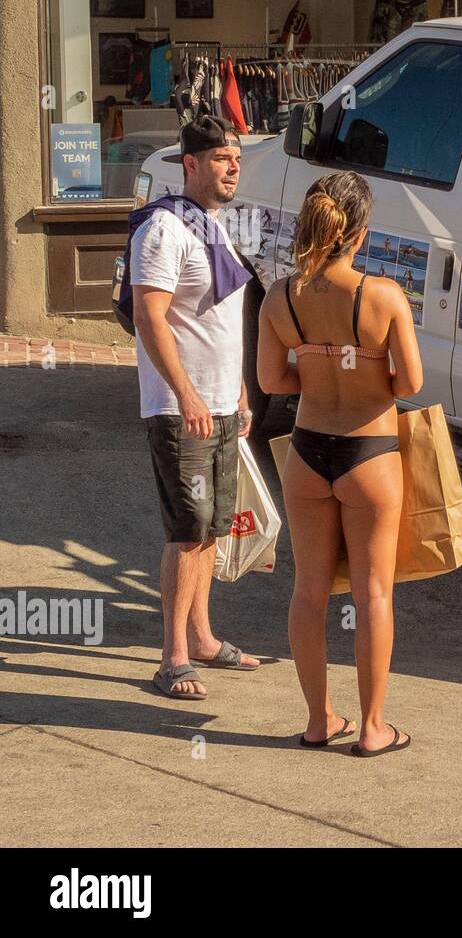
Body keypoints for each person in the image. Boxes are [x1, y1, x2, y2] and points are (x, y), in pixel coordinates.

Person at [258, 171, 423, 756]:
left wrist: (319, 361)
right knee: (373, 593)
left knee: (308, 591)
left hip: (307, 452)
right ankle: (374, 727)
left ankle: (318, 719)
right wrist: (357, 361)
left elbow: (272, 379)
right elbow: (410, 382)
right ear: (358, 231)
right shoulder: (382, 295)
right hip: (368, 452)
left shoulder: (281, 295)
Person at [129, 115, 260, 700]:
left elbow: (221, 319)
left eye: (236, 157)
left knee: (213, 528)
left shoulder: (213, 226)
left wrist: (238, 390)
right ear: (190, 164)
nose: (233, 166)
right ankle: (173, 658)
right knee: (188, 530)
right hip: (181, 410)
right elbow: (148, 316)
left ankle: (204, 637)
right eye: (220, 158)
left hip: (220, 404)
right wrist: (186, 394)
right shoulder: (164, 229)